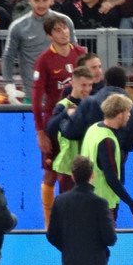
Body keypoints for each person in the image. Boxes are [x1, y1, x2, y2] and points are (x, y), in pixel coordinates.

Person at [32, 15, 87, 227]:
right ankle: (49, 224)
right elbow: (36, 99)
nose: (63, 32)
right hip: (55, 123)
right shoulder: (45, 60)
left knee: (79, 171)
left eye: (65, 28)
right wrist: (40, 132)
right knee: (51, 173)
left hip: (79, 122)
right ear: (49, 36)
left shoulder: (80, 53)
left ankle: (78, 220)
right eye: (57, 30)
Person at [3, 0, 77, 104]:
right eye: (37, 1)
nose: (41, 5)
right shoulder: (18, 27)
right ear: (29, 0)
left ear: (51, 0)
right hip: (33, 96)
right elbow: (8, 56)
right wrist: (8, 85)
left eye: (44, 0)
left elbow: (75, 53)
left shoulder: (65, 22)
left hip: (64, 96)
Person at [80, 93, 133, 222]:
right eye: (128, 112)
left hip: (86, 198)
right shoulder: (107, 140)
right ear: (120, 115)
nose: (129, 115)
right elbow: (111, 179)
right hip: (103, 203)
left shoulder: (93, 129)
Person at [47, 66, 94, 194]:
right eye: (83, 85)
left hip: (89, 166)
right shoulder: (64, 105)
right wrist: (65, 113)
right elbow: (50, 128)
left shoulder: (92, 105)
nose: (87, 89)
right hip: (68, 167)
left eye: (90, 85)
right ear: (73, 83)